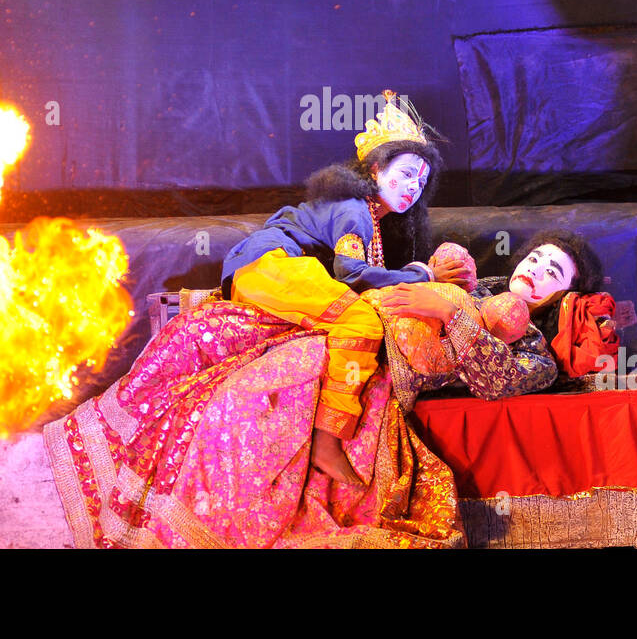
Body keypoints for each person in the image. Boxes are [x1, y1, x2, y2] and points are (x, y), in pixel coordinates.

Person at [43, 93, 473, 547]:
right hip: (271, 266)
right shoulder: (354, 211)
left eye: (420, 181)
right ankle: (329, 438)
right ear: (373, 171)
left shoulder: (366, 215)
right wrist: (423, 275)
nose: (412, 187)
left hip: (258, 272)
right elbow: (355, 277)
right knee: (361, 324)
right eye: (404, 173)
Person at [370, 232, 614, 408]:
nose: (534, 270)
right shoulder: (475, 288)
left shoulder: (540, 359)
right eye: (533, 258)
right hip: (369, 325)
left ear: (565, 296)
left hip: (383, 379)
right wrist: (429, 274)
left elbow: (495, 383)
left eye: (551, 272)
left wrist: (449, 313)